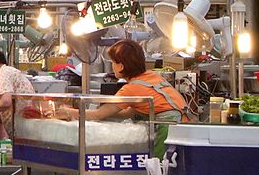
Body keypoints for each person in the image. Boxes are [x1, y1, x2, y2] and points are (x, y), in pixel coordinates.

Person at [57, 39, 188, 158]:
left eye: (113, 62)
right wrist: (105, 113)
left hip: (167, 131)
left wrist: (69, 112)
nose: (112, 65)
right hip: (183, 127)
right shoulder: (152, 76)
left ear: (121, 66)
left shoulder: (131, 88)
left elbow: (98, 115)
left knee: (161, 171)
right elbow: (129, 112)